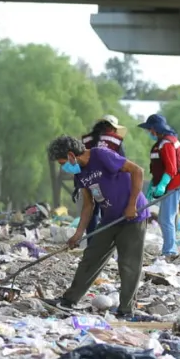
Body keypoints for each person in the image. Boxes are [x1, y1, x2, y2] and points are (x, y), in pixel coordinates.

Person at [45, 135, 149, 317]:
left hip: (133, 216)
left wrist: (132, 204)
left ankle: (125, 310)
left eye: (62, 162)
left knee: (129, 265)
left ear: (71, 155)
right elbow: (88, 205)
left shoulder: (101, 155)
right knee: (91, 257)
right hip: (109, 219)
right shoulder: (80, 173)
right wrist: (77, 234)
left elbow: (137, 171)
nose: (63, 167)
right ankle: (69, 300)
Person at [136, 114, 180, 258]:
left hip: (177, 183)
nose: (149, 133)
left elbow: (171, 168)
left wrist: (162, 185)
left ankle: (170, 251)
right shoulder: (161, 143)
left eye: (150, 129)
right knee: (166, 218)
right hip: (171, 183)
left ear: (155, 129)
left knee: (166, 218)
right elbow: (158, 168)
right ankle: (170, 249)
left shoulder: (167, 143)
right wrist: (152, 186)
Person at [77, 116, 129, 243]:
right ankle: (107, 243)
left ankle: (91, 243)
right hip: (109, 184)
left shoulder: (86, 139)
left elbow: (80, 161)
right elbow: (123, 163)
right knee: (108, 211)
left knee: (92, 211)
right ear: (112, 127)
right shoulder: (116, 140)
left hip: (92, 184)